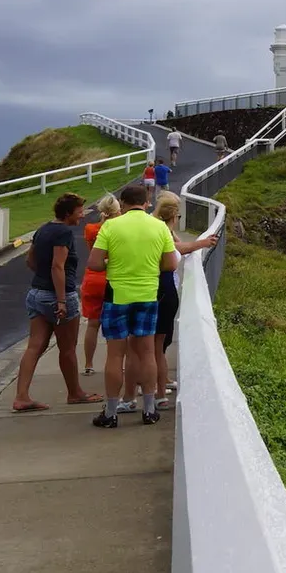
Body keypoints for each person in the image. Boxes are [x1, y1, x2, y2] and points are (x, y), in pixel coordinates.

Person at [116, 191, 216, 413]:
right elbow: (173, 258)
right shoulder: (162, 231)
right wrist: (199, 243)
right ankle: (158, 396)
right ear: (175, 216)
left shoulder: (147, 229)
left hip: (148, 289)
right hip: (166, 291)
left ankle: (131, 396)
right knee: (157, 348)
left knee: (136, 348)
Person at [87, 183, 177, 428]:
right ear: (146, 202)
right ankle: (149, 410)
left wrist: (113, 264)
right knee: (147, 351)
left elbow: (94, 263)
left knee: (115, 354)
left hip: (117, 295)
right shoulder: (159, 226)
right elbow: (170, 264)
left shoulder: (111, 225)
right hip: (148, 294)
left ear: (123, 203)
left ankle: (112, 412)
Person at [12, 193, 103, 412]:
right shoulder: (63, 232)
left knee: (34, 346)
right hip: (58, 296)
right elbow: (57, 266)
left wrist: (42, 279)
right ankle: (75, 393)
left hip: (36, 293)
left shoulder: (43, 229)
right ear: (68, 213)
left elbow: (30, 260)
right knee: (68, 348)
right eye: (80, 211)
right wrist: (61, 300)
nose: (82, 215)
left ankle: (21, 396)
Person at [78, 194, 122, 375]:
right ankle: (117, 363)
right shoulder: (119, 229)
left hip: (92, 278)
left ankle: (88, 364)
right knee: (117, 325)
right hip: (113, 278)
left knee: (92, 324)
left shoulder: (90, 229)